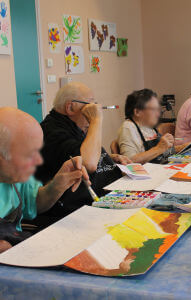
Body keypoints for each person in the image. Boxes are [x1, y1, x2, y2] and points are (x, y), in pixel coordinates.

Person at [35, 82, 130, 227]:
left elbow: (84, 152)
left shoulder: (76, 125)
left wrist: (109, 158)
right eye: (90, 106)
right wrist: (96, 120)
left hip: (112, 195)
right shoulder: (52, 132)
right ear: (70, 107)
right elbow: (88, 164)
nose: (94, 110)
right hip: (79, 213)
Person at [0, 107, 89, 253]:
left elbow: (34, 204)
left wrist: (57, 185)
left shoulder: (16, 174)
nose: (38, 161)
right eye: (28, 154)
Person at [117, 89, 187, 164]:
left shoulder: (148, 126)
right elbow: (130, 160)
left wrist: (182, 147)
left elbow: (162, 152)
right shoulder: (128, 127)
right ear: (137, 112)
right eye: (153, 109)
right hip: (145, 173)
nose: (157, 114)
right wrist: (159, 148)